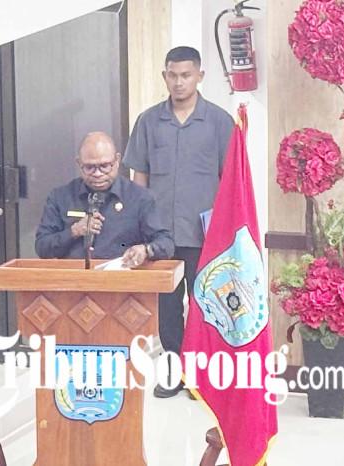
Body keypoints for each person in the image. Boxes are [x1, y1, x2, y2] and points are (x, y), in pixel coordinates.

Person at [123, 46, 234, 398]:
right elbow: (139, 179)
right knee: (168, 310)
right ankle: (173, 372)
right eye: (172, 75)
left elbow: (231, 183)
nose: (179, 82)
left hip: (205, 236)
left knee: (205, 307)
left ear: (200, 76)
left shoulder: (219, 123)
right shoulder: (148, 121)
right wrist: (137, 229)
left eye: (186, 75)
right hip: (161, 238)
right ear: (164, 76)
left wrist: (228, 234)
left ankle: (203, 376)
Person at [35, 131, 174, 266]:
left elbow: (166, 243)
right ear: (79, 163)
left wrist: (145, 250)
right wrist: (73, 232)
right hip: (72, 277)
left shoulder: (140, 198)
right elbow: (42, 247)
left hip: (121, 277)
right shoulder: (61, 197)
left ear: (117, 160)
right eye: (89, 167)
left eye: (104, 166)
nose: (97, 173)